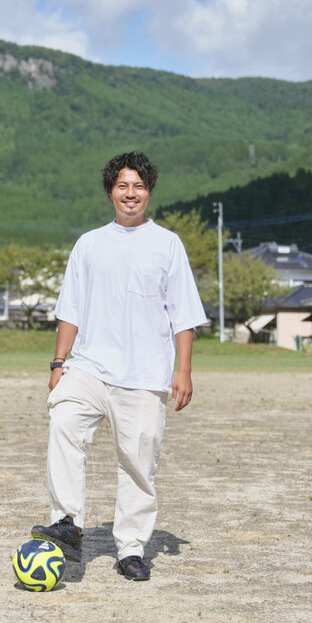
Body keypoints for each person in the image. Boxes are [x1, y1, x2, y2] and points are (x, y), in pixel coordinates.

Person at [31, 151, 208, 582]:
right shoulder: (89, 243)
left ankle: (130, 549)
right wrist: (58, 362)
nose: (131, 194)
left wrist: (183, 370)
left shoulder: (167, 243)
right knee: (65, 421)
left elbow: (183, 313)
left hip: (146, 374)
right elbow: (69, 309)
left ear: (149, 191)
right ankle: (67, 522)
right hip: (89, 366)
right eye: (123, 186)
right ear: (111, 191)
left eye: (139, 186)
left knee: (137, 462)